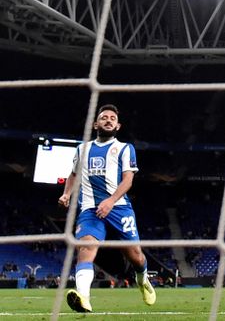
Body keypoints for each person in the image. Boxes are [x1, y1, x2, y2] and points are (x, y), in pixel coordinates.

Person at [58, 104, 156, 312]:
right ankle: (83, 297)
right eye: (104, 117)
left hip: (120, 208)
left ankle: (142, 280)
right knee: (85, 248)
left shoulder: (124, 148)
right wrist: (67, 193)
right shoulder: (82, 149)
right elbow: (74, 175)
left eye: (112, 118)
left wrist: (111, 200)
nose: (108, 120)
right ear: (96, 124)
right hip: (90, 210)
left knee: (135, 255)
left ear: (118, 126)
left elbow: (128, 180)